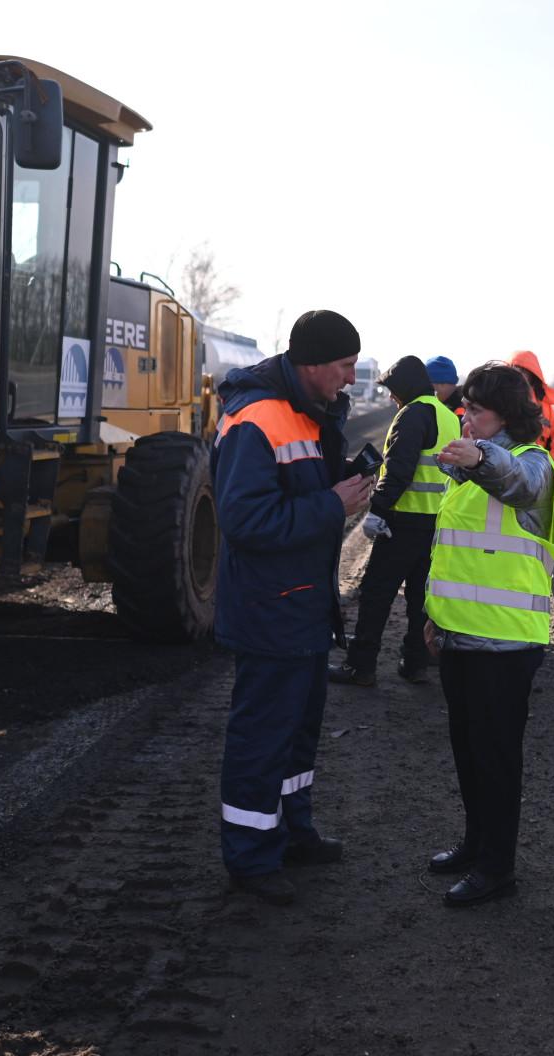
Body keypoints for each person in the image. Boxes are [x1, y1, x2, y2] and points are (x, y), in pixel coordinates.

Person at [213, 309, 373, 906]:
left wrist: (346, 480)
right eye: (344, 365)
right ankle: (250, 858)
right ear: (310, 364)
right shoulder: (258, 419)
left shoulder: (307, 412)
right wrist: (333, 504)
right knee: (261, 739)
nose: (351, 379)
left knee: (297, 737)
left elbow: (300, 492)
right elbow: (247, 520)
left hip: (303, 608)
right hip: (269, 611)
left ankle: (291, 831)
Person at [423, 361, 554, 907]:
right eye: (465, 408)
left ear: (505, 416)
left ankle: (497, 868)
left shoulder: (532, 467)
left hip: (506, 646)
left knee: (496, 758)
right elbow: (454, 556)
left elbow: (515, 481)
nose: (465, 417)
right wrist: (433, 617)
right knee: (467, 750)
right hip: (461, 637)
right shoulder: (467, 474)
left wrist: (481, 456)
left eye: (476, 410)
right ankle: (475, 844)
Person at [328, 355, 458, 687]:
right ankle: (415, 664)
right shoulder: (447, 416)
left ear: (404, 388)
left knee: (376, 594)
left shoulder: (413, 414)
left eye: (392, 391)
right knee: (420, 599)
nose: (390, 398)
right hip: (436, 525)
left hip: (403, 522)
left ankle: (361, 666)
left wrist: (378, 511)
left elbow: (400, 469)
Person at [509, 350, 554, 474]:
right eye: (514, 369)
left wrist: (550, 479)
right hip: (504, 473)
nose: (519, 375)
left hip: (536, 476)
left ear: (532, 375)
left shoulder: (547, 412)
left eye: (523, 370)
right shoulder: (497, 400)